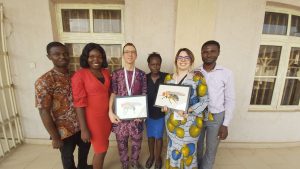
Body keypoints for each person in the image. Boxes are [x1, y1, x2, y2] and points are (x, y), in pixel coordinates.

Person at [35, 42, 91, 169]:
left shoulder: (75, 75)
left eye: (65, 53)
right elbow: (44, 111)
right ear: (49, 56)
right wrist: (55, 137)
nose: (62, 56)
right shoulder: (44, 81)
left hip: (82, 125)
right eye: (57, 54)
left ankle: (83, 166)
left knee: (84, 152)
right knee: (67, 158)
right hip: (63, 131)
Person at [163, 48, 208, 169]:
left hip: (190, 123)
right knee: (173, 149)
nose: (183, 60)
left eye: (186, 58)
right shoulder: (169, 78)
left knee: (188, 153)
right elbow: (166, 97)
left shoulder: (197, 78)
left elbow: (205, 101)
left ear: (191, 61)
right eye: (180, 57)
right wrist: (164, 105)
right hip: (172, 123)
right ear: (176, 60)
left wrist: (189, 110)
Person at [71, 43, 112, 169]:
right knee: (101, 149)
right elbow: (79, 103)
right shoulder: (80, 75)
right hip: (93, 120)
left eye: (99, 56)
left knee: (103, 146)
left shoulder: (105, 72)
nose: (96, 59)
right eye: (92, 56)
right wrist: (84, 129)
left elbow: (110, 93)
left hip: (106, 118)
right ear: (86, 58)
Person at [196, 40, 235, 169]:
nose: (209, 54)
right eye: (205, 51)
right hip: (198, 116)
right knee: (197, 147)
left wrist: (225, 124)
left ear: (218, 53)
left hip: (217, 117)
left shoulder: (226, 73)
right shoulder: (195, 72)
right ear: (201, 53)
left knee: (211, 150)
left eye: (212, 51)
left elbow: (230, 99)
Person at [108, 43, 147, 169]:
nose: (130, 54)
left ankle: (134, 162)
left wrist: (142, 114)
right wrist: (110, 112)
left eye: (132, 52)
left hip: (136, 116)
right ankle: (125, 164)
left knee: (137, 142)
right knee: (121, 143)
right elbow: (113, 93)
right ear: (123, 55)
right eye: (127, 52)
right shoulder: (116, 74)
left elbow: (144, 94)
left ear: (136, 55)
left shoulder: (142, 74)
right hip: (120, 116)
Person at [145, 52, 167, 169]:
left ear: (160, 64)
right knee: (150, 137)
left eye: (158, 64)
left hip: (161, 114)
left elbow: (179, 80)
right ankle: (151, 156)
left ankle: (158, 158)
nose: (155, 67)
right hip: (148, 113)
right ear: (148, 65)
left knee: (159, 137)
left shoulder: (166, 77)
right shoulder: (144, 78)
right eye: (153, 64)